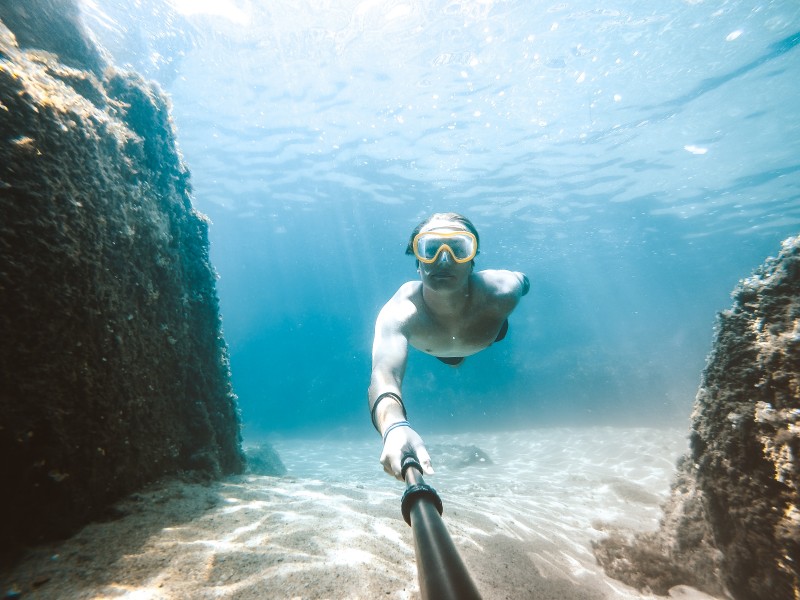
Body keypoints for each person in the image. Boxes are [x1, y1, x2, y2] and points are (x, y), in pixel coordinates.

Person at [368, 213, 529, 480]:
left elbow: (522, 281)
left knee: (469, 349)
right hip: (441, 349)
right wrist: (394, 426)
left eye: (458, 249)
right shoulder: (401, 312)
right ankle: (453, 359)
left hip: (488, 335)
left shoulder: (502, 291)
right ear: (418, 261)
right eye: (430, 249)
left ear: (472, 261)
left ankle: (455, 357)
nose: (444, 260)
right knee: (453, 359)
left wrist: (523, 281)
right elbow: (384, 375)